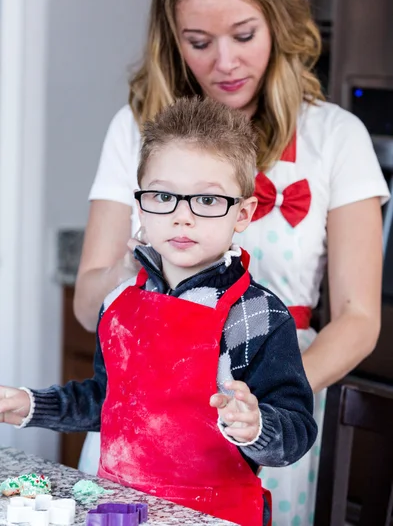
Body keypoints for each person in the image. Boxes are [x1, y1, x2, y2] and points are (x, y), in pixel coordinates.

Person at [73, 0, 389, 523]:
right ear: (173, 40)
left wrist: (262, 406)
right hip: (144, 420)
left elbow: (359, 317)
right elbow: (91, 305)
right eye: (198, 41)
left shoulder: (335, 138)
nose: (224, 62)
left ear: (277, 22)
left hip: (267, 419)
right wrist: (139, 253)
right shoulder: (135, 128)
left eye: (244, 35)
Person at [0, 97, 318, 526]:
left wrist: (258, 426)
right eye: (163, 196)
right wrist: (31, 405)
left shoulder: (258, 317)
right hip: (117, 508)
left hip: (213, 515)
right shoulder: (118, 304)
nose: (182, 217)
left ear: (243, 213)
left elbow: (297, 432)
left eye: (207, 200)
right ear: (140, 206)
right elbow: (105, 399)